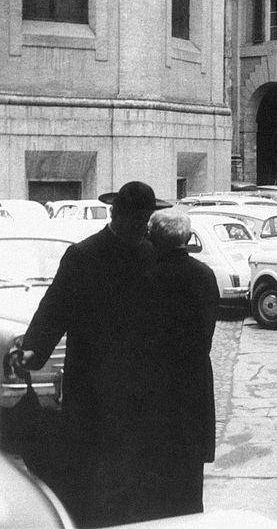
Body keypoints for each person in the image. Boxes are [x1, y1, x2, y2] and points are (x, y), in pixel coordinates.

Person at [14, 181, 171, 527]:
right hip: (91, 389)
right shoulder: (83, 256)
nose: (141, 226)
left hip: (135, 389)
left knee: (131, 476)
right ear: (116, 214)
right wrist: (33, 351)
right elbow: (54, 308)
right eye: (135, 218)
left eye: (145, 219)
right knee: (90, 475)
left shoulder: (148, 254)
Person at [144, 208, 220, 519]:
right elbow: (207, 331)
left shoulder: (146, 275)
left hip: (155, 389)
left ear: (153, 238)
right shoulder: (204, 275)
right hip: (193, 385)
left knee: (154, 485)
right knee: (190, 485)